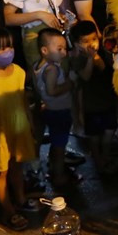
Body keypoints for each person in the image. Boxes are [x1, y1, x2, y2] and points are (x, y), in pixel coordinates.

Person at [0, 28, 35, 230]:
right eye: (0, 48)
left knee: (17, 165)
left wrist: (30, 123)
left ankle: (20, 199)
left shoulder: (19, 72)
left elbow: (23, 99)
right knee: (0, 172)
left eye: (9, 46)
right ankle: (8, 210)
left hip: (17, 128)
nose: (8, 51)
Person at [68, 21, 118, 175]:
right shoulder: (78, 59)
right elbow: (85, 76)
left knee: (110, 130)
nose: (91, 44)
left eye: (94, 39)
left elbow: (106, 69)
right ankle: (98, 162)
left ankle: (105, 157)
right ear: (76, 44)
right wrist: (91, 59)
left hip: (107, 101)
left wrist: (98, 56)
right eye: (85, 41)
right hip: (91, 105)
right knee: (94, 136)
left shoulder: (104, 52)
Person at [33, 28, 75, 187]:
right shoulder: (52, 69)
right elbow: (52, 91)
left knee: (55, 140)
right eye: (59, 49)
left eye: (64, 48)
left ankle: (53, 166)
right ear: (44, 50)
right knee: (59, 145)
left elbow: (38, 88)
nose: (64, 52)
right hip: (59, 111)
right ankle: (59, 175)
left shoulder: (36, 66)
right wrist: (69, 84)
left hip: (48, 109)